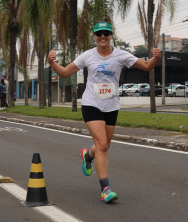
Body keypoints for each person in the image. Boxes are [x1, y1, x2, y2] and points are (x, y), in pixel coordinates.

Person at [47, 17, 161, 203]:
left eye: (106, 33)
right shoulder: (88, 56)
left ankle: (87, 155)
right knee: (101, 144)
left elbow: (147, 66)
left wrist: (156, 58)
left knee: (103, 146)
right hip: (91, 104)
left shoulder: (122, 55)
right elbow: (65, 72)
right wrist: (52, 63)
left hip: (111, 105)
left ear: (110, 36)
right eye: (99, 34)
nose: (102, 36)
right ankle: (105, 189)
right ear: (94, 36)